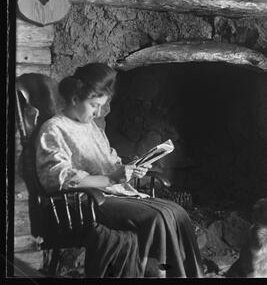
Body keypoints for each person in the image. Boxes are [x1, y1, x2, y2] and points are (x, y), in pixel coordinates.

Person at [35, 63, 204, 278]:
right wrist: (110, 178)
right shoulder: (54, 128)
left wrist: (130, 170)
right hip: (83, 201)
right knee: (157, 217)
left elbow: (110, 163)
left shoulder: (92, 128)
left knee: (176, 212)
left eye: (101, 106)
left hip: (111, 194)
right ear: (76, 98)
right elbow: (56, 178)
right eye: (94, 105)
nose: (97, 112)